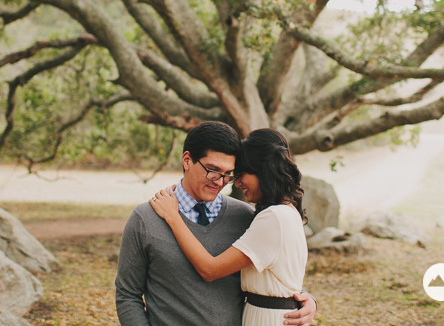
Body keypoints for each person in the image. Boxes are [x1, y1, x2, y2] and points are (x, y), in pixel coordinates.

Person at [115, 122, 316, 326]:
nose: (220, 182)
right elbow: (127, 295)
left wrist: (305, 299)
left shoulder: (247, 217)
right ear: (187, 160)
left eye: (228, 174)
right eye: (212, 170)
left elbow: (273, 273)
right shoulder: (145, 219)